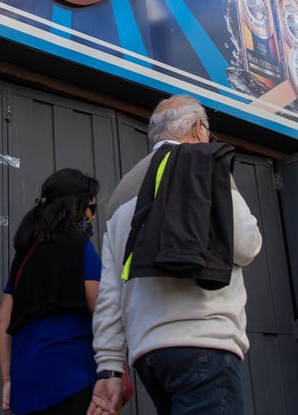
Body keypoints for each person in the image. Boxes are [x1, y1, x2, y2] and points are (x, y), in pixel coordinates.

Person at [88, 94, 263, 415]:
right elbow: (246, 244)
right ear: (199, 128)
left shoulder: (122, 192)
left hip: (149, 355)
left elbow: (110, 291)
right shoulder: (206, 163)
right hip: (204, 340)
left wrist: (110, 366)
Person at [0, 169, 102, 415]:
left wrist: (7, 380)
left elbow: (3, 319)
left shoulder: (23, 257)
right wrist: (113, 370)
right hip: (71, 378)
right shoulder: (81, 248)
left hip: (25, 385)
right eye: (92, 209)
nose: (94, 218)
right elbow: (102, 311)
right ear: (76, 207)